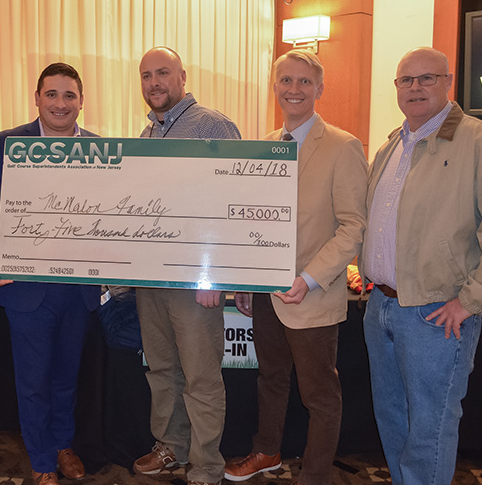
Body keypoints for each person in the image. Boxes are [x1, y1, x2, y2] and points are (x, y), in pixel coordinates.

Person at [360, 47, 482, 484]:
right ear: (396, 88)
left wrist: (470, 301)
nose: (415, 88)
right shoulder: (392, 145)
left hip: (435, 312)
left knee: (428, 427)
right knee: (392, 418)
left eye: (427, 78)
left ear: (448, 82)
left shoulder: (481, 142)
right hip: (382, 307)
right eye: (406, 80)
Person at [223, 50, 368, 485]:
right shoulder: (267, 144)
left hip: (312, 294)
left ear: (319, 89)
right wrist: (247, 281)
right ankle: (267, 451)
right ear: (275, 88)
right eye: (286, 80)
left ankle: (316, 475)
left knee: (319, 395)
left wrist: (308, 279)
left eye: (304, 81)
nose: (294, 89)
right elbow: (257, 220)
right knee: (270, 379)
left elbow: (353, 226)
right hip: (267, 295)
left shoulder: (343, 146)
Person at [0, 62, 101, 485]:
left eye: (69, 95)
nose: (60, 104)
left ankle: (63, 445)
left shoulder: (100, 149)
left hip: (78, 289)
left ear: (81, 101)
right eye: (52, 94)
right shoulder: (10, 143)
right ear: (37, 99)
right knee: (33, 381)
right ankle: (43, 459)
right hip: (25, 287)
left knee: (67, 377)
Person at [132, 47, 240, 485]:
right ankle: (171, 447)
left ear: (182, 76)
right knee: (161, 370)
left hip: (196, 282)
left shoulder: (214, 126)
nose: (154, 82)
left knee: (201, 377)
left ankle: (207, 464)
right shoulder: (146, 134)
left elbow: (233, 203)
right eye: (146, 75)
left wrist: (216, 275)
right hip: (151, 279)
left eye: (163, 73)